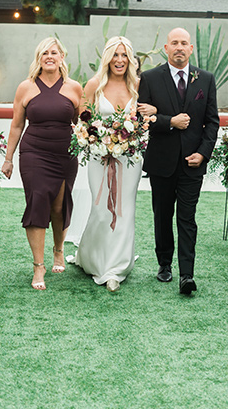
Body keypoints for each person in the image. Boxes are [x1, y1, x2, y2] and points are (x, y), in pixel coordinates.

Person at [138, 27, 219, 294]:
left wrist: (204, 153)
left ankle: (187, 274)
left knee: (187, 218)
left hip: (192, 163)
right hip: (161, 162)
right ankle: (164, 264)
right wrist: (168, 121)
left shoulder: (205, 79)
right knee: (162, 215)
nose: (179, 47)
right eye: (175, 43)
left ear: (191, 49)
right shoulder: (149, 78)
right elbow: (142, 120)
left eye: (184, 43)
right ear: (166, 48)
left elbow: (212, 122)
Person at [1, 38, 82, 290]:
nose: (49, 56)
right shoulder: (25, 87)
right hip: (34, 153)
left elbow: (81, 123)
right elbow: (16, 125)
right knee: (37, 203)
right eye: (44, 53)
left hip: (65, 155)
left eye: (54, 52)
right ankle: (39, 266)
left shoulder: (74, 88)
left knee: (58, 207)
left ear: (61, 57)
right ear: (38, 58)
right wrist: (8, 158)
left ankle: (58, 250)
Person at [74, 37, 142, 293]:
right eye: (115, 55)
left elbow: (148, 113)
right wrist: (96, 138)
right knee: (102, 208)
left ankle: (116, 268)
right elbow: (83, 119)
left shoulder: (137, 85)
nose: (120, 60)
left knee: (125, 210)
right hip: (99, 158)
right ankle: (93, 258)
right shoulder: (94, 85)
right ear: (107, 58)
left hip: (129, 159)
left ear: (130, 59)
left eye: (124, 55)